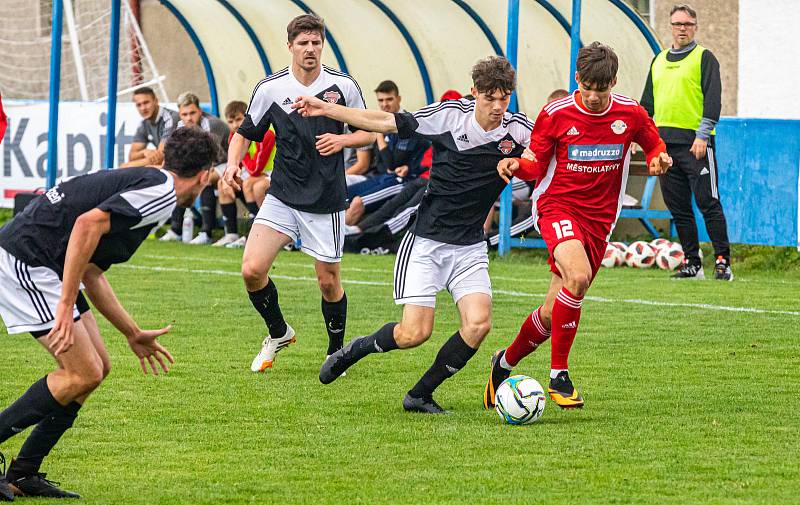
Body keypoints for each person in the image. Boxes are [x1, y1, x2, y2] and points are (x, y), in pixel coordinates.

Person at [294, 56, 534, 414]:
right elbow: (383, 121)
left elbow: (548, 156)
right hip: (427, 243)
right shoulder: (449, 116)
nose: (498, 107)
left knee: (479, 324)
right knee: (413, 334)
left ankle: (419, 395)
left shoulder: (517, 130)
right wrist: (327, 109)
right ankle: (358, 347)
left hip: (469, 247)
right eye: (489, 98)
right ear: (474, 93)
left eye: (504, 98)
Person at [0, 127, 217, 500]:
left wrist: (132, 332)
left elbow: (91, 270)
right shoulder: (162, 191)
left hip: (47, 264)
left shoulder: (151, 184)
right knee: (80, 373)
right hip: (27, 259)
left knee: (97, 368)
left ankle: (25, 471)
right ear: (205, 174)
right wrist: (66, 305)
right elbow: (86, 225)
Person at [486, 42, 672, 411]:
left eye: (601, 90)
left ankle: (504, 362)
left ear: (613, 83)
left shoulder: (631, 113)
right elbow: (536, 165)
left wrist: (658, 158)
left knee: (555, 309)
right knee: (579, 276)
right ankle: (559, 375)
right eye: (587, 87)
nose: (593, 97)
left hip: (601, 220)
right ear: (577, 79)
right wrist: (515, 166)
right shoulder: (555, 113)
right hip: (557, 207)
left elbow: (654, 144)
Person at [223, 14, 373, 373]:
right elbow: (245, 132)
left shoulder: (343, 86)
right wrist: (232, 165)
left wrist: (342, 139)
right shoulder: (271, 88)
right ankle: (279, 332)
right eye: (303, 43)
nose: (310, 49)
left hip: (325, 199)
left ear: (323, 46)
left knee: (328, 282)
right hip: (283, 194)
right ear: (289, 46)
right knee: (251, 269)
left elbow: (368, 131)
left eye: (316, 43)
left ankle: (336, 351)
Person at [641, 3, 732, 281]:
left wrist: (703, 135)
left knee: (708, 202)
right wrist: (645, 141)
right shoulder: (658, 60)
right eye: (677, 24)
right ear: (670, 27)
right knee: (678, 207)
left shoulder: (705, 58)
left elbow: (712, 99)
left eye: (687, 24)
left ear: (695, 27)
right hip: (665, 147)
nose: (682, 29)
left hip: (696, 144)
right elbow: (646, 106)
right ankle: (693, 263)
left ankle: (722, 262)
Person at [345, 80, 430, 219]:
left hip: (400, 181)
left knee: (356, 203)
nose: (385, 104)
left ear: (399, 99)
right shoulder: (383, 121)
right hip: (379, 177)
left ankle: (347, 238)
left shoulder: (406, 124)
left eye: (389, 99)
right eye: (381, 100)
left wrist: (378, 133)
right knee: (342, 194)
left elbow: (393, 164)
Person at [160, 92, 230, 244]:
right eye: (184, 114)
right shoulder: (178, 124)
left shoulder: (211, 124)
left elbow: (212, 157)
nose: (189, 118)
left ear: (200, 110)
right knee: (178, 179)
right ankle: (175, 229)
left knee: (204, 179)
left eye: (192, 113)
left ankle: (206, 232)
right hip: (204, 164)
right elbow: (174, 153)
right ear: (180, 114)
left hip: (228, 163)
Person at [214, 100, 276, 248]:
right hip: (258, 174)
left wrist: (244, 147)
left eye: (239, 120)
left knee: (250, 185)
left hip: (274, 172)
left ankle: (255, 235)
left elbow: (255, 168)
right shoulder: (234, 136)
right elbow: (238, 166)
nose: (235, 125)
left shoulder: (265, 134)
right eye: (231, 121)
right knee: (223, 183)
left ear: (248, 118)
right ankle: (231, 234)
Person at [124, 87, 179, 167]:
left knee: (134, 169)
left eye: (146, 103)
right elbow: (132, 157)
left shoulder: (170, 118)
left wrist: (127, 166)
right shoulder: (144, 123)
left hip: (185, 167)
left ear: (156, 101)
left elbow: (160, 156)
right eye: (139, 105)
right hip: (169, 166)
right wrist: (144, 152)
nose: (143, 108)